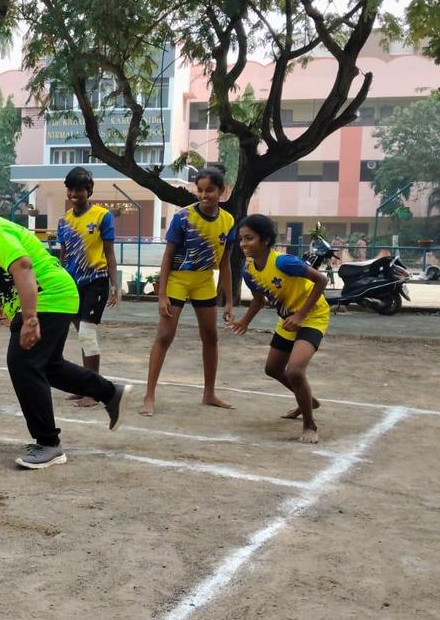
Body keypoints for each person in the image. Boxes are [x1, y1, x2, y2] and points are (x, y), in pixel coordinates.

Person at [0, 188, 133, 469]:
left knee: (22, 362)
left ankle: (49, 444)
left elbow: (22, 265)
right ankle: (110, 393)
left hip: (50, 297)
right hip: (56, 295)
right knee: (49, 366)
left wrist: (30, 319)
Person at [139, 165, 235, 416]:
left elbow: (225, 262)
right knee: (165, 336)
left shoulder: (228, 221)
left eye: (210, 190)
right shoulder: (183, 217)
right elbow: (168, 256)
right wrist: (161, 296)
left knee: (210, 336)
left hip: (205, 281)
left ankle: (209, 392)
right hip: (178, 281)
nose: (204, 195)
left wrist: (229, 301)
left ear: (222, 191)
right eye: (200, 190)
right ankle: (149, 396)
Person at [227, 214, 330, 444]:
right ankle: (308, 400)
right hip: (288, 319)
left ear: (264, 240)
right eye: (241, 239)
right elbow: (258, 300)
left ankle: (310, 424)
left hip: (312, 316)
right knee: (273, 369)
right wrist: (244, 321)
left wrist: (301, 314)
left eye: (249, 238)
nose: (243, 244)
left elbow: (321, 281)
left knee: (294, 370)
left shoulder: (284, 262)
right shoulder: (249, 270)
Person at [55, 167, 120, 407]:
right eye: (70, 188)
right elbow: (62, 256)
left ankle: (94, 392)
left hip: (96, 281)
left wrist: (116, 284)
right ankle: (84, 386)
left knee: (87, 334)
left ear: (88, 190)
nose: (74, 193)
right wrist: (57, 281)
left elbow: (109, 253)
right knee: (81, 337)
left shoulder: (103, 216)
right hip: (71, 285)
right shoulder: (64, 221)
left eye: (79, 189)